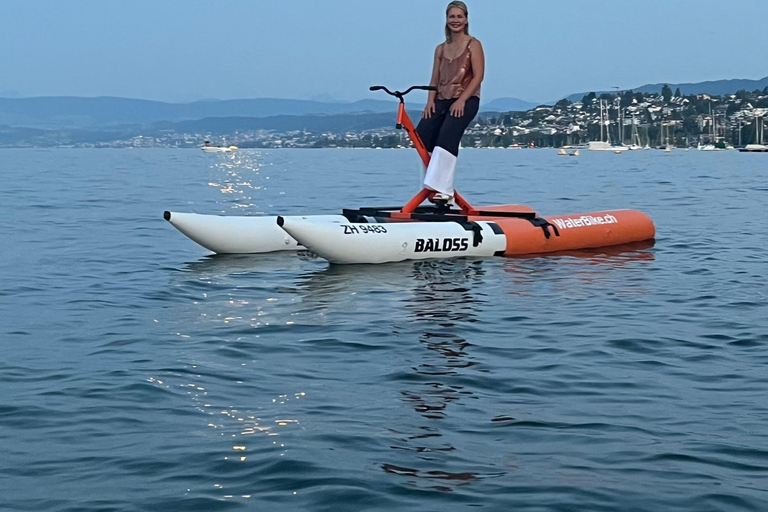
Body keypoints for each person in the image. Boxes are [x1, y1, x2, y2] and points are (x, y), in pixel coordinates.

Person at [416, 1, 484, 202]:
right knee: (422, 134)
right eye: (451, 17)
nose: (455, 20)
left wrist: (462, 100)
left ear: (466, 20)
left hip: (466, 98)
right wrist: (430, 102)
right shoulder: (440, 49)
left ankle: (444, 189)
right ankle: (432, 185)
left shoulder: (474, 44)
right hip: (441, 98)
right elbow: (434, 79)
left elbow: (478, 76)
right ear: (446, 20)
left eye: (459, 17)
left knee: (447, 137)